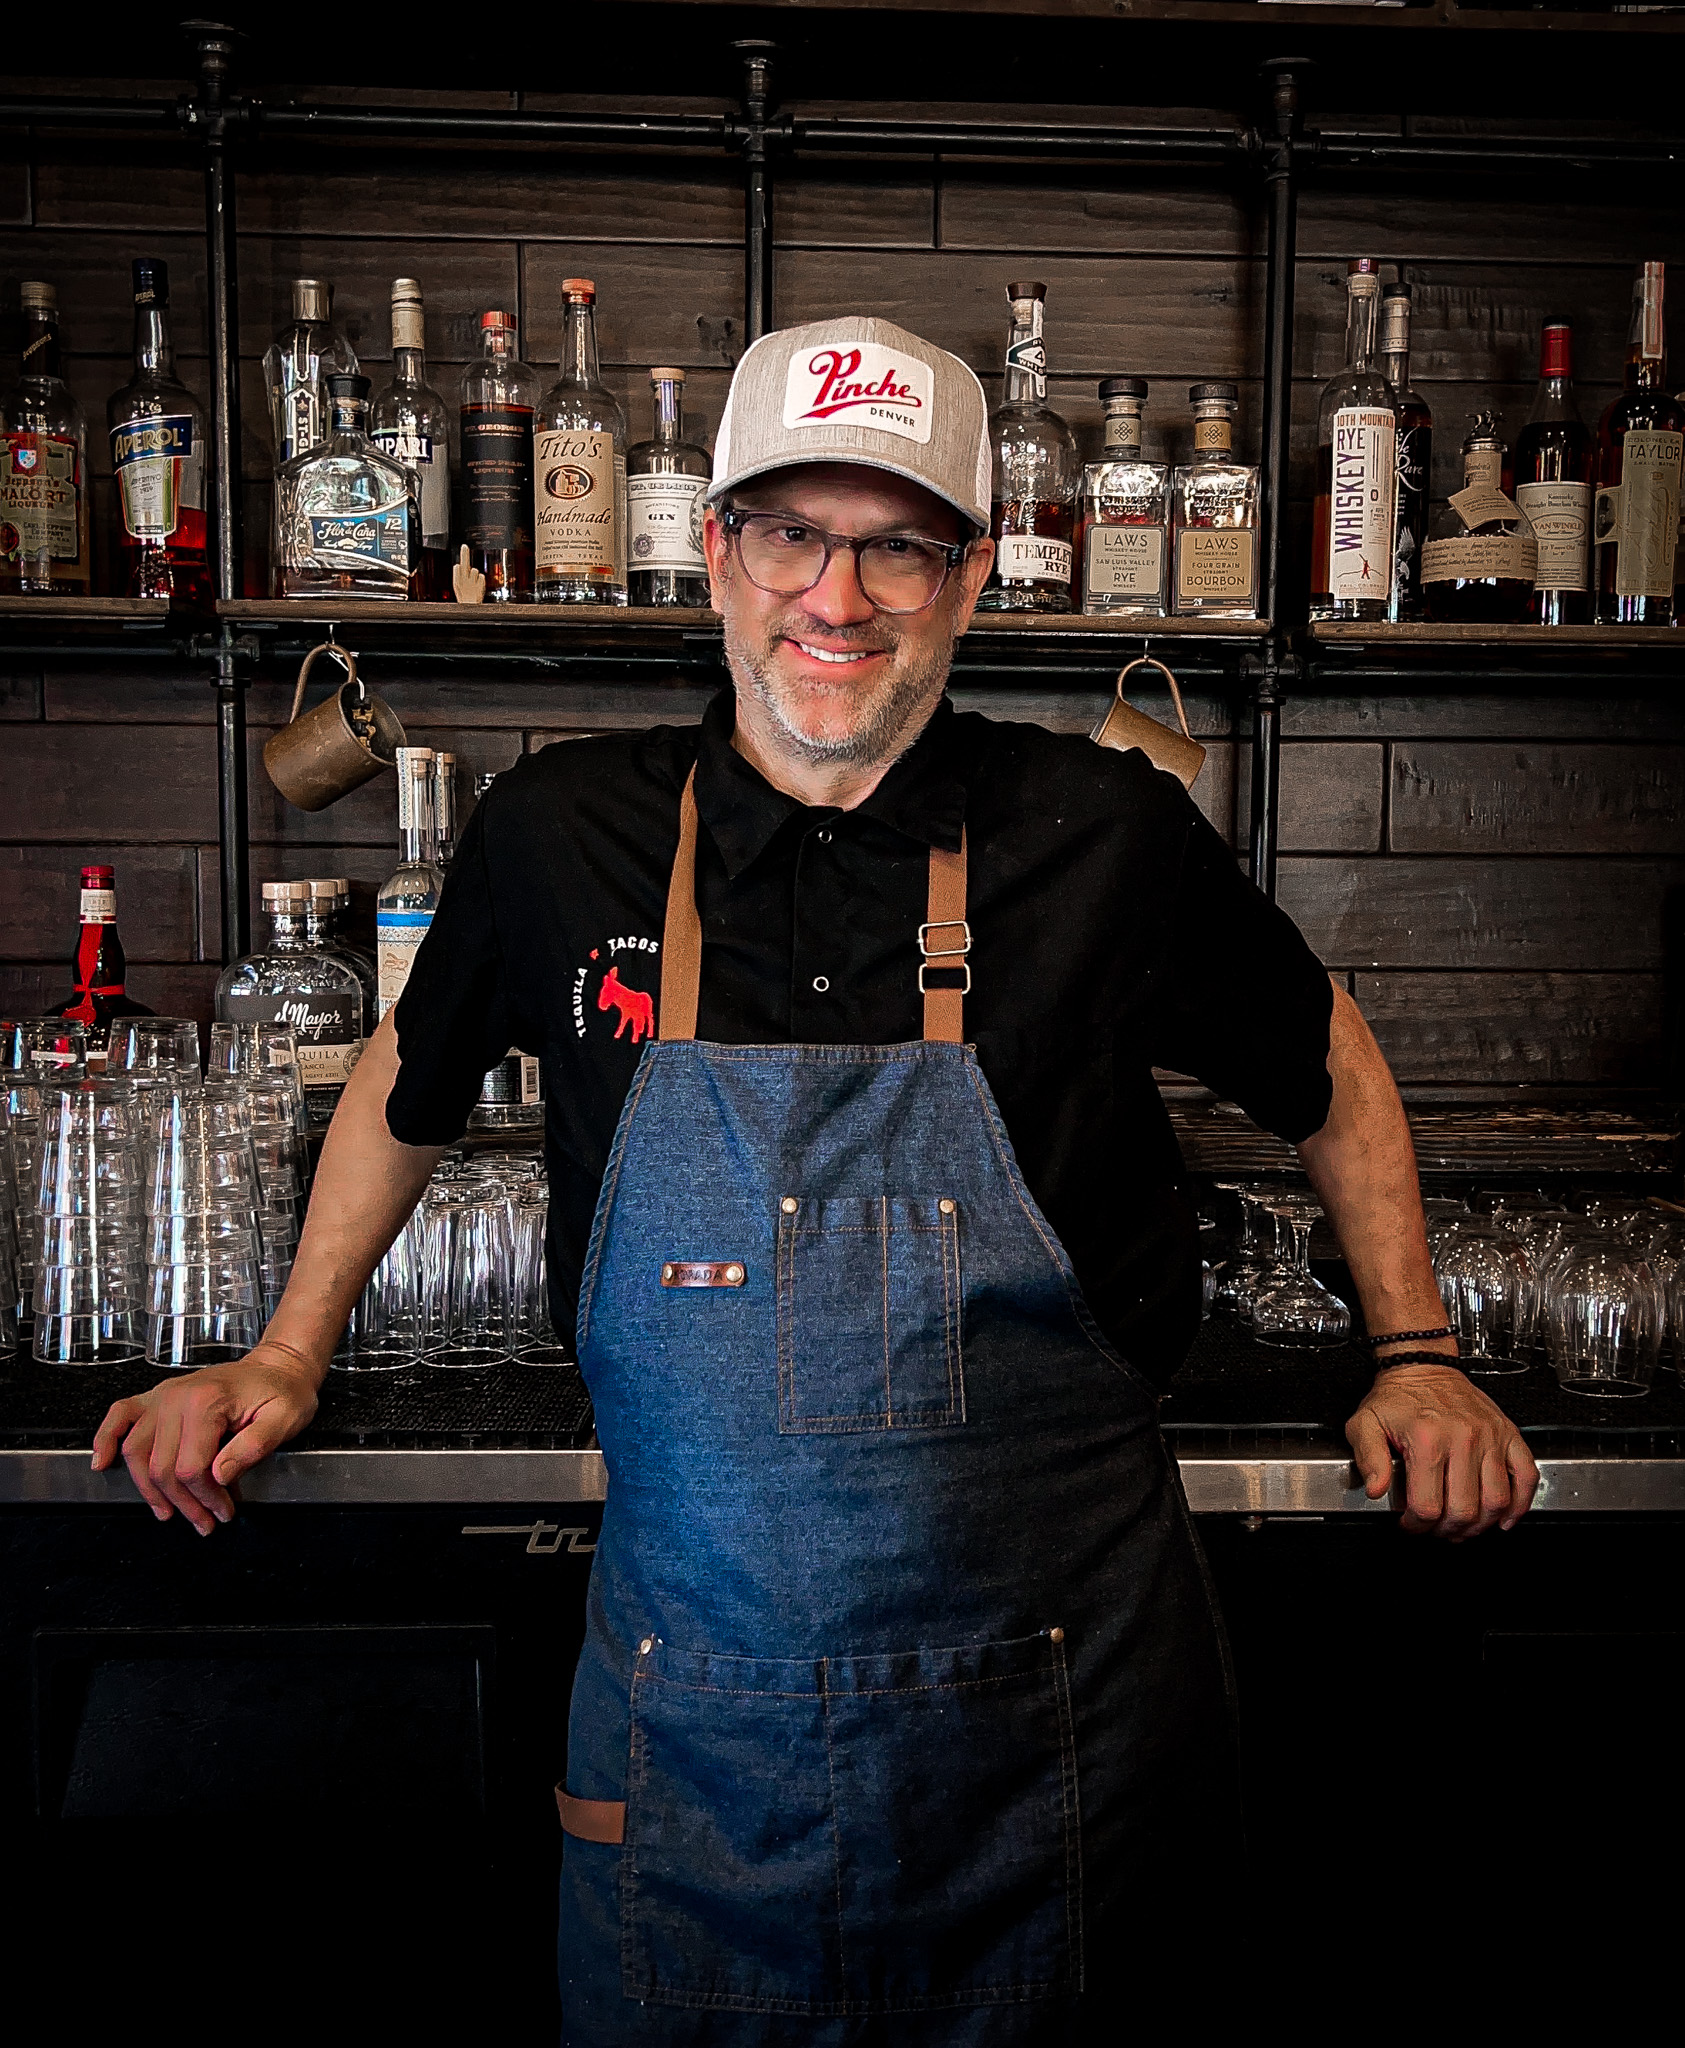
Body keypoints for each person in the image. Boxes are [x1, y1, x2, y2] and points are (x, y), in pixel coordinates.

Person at [94, 316, 1537, 2039]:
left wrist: (1417, 1352)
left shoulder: (1104, 835)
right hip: (698, 1738)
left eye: (893, 549)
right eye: (789, 533)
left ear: (971, 577)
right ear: (713, 552)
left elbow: (1330, 1067)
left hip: (1066, 1732)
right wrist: (283, 1353)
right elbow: (406, 1093)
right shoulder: (560, 836)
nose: (834, 601)